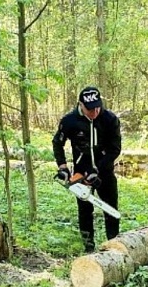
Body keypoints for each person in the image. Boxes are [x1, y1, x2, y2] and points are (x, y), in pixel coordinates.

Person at [53, 86, 122, 253]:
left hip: (104, 171)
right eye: (90, 109)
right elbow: (57, 143)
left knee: (111, 208)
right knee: (85, 210)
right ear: (81, 105)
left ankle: (113, 244)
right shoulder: (69, 121)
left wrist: (97, 169)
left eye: (98, 107)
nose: (95, 111)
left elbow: (115, 149)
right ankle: (88, 246)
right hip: (80, 172)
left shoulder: (109, 119)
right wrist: (62, 167)